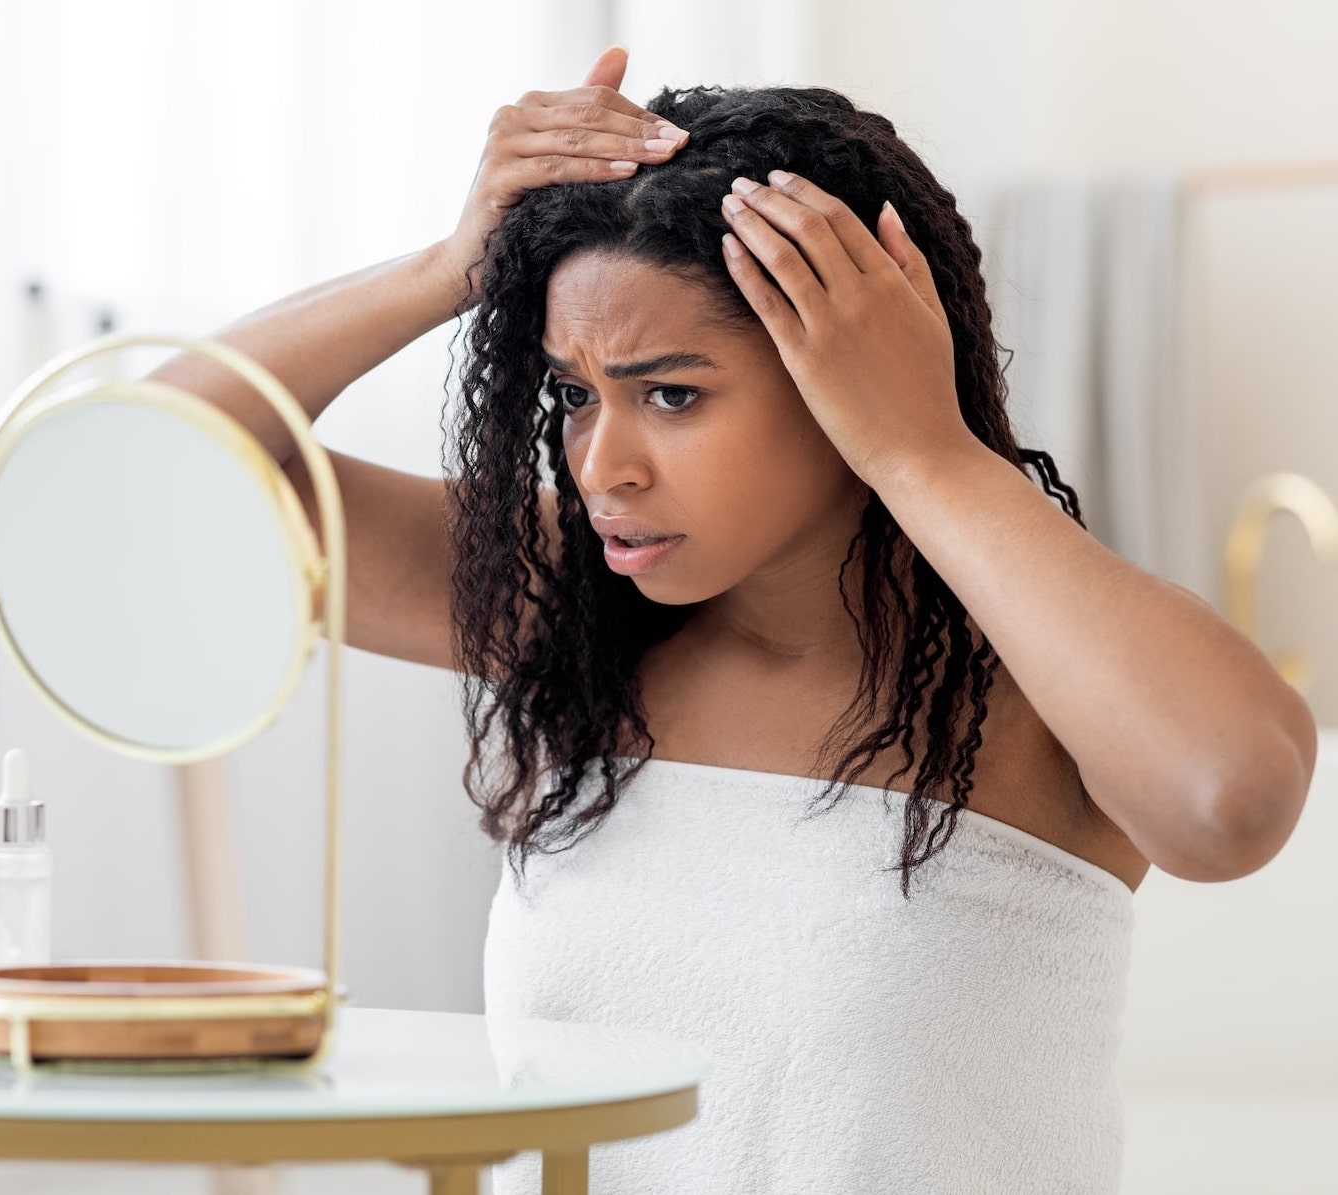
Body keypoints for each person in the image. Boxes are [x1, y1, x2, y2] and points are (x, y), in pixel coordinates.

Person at [156, 45, 1315, 1194]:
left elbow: (1232, 802)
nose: (603, 462)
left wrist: (921, 445)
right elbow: (135, 479)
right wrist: (445, 265)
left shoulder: (1034, 677)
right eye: (573, 394)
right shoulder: (570, 611)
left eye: (673, 393)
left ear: (849, 372)